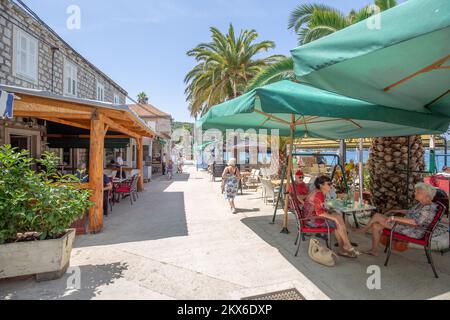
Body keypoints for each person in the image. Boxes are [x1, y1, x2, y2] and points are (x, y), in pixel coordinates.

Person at [358, 183, 439, 256]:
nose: (415, 193)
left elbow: (415, 222)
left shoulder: (428, 208)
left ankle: (363, 230)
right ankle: (373, 251)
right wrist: (395, 211)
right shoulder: (422, 204)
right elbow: (411, 212)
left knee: (377, 216)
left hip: (413, 231)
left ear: (426, 195)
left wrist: (394, 218)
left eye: (418, 192)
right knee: (376, 226)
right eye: (415, 191)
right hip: (408, 227)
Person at [303, 175, 360, 258]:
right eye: (329, 184)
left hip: (310, 218)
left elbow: (319, 209)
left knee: (338, 217)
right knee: (337, 220)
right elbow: (319, 213)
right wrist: (334, 218)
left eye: (331, 184)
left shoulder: (318, 192)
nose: (331, 186)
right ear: (321, 185)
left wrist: (333, 215)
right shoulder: (319, 194)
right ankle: (346, 246)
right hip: (312, 221)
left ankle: (345, 246)